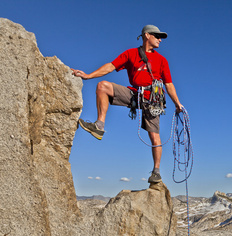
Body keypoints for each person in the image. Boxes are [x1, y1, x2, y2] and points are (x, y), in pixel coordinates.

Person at [71, 25, 183, 184]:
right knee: (102, 86)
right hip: (135, 94)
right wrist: (89, 76)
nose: (160, 40)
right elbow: (111, 66)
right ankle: (99, 125)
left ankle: (156, 172)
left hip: (153, 100)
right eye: (157, 36)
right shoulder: (131, 54)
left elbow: (169, 84)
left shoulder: (162, 60)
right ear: (147, 35)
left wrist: (177, 103)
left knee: (154, 136)